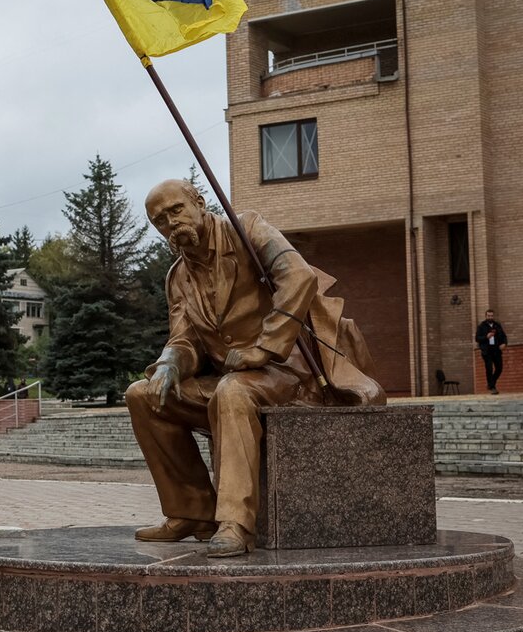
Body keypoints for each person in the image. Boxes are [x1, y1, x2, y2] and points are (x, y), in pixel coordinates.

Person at [126, 179, 385, 557]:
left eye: (175, 210)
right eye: (159, 220)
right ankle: (192, 512)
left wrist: (263, 347)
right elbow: (185, 339)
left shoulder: (246, 230)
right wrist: (169, 362)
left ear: (198, 202)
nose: (170, 223)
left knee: (234, 390)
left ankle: (235, 523)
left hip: (287, 373)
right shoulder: (177, 277)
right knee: (143, 396)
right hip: (233, 378)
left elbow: (300, 277)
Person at [475, 309, 508, 394]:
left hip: (496, 350)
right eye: (488, 316)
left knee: (499, 368)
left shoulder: (497, 325)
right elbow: (477, 338)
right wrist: (486, 337)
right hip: (487, 351)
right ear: (486, 316)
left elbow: (504, 336)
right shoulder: (482, 326)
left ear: (493, 316)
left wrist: (504, 343)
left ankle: (491, 383)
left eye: (491, 316)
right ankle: (492, 387)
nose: (490, 317)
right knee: (489, 368)